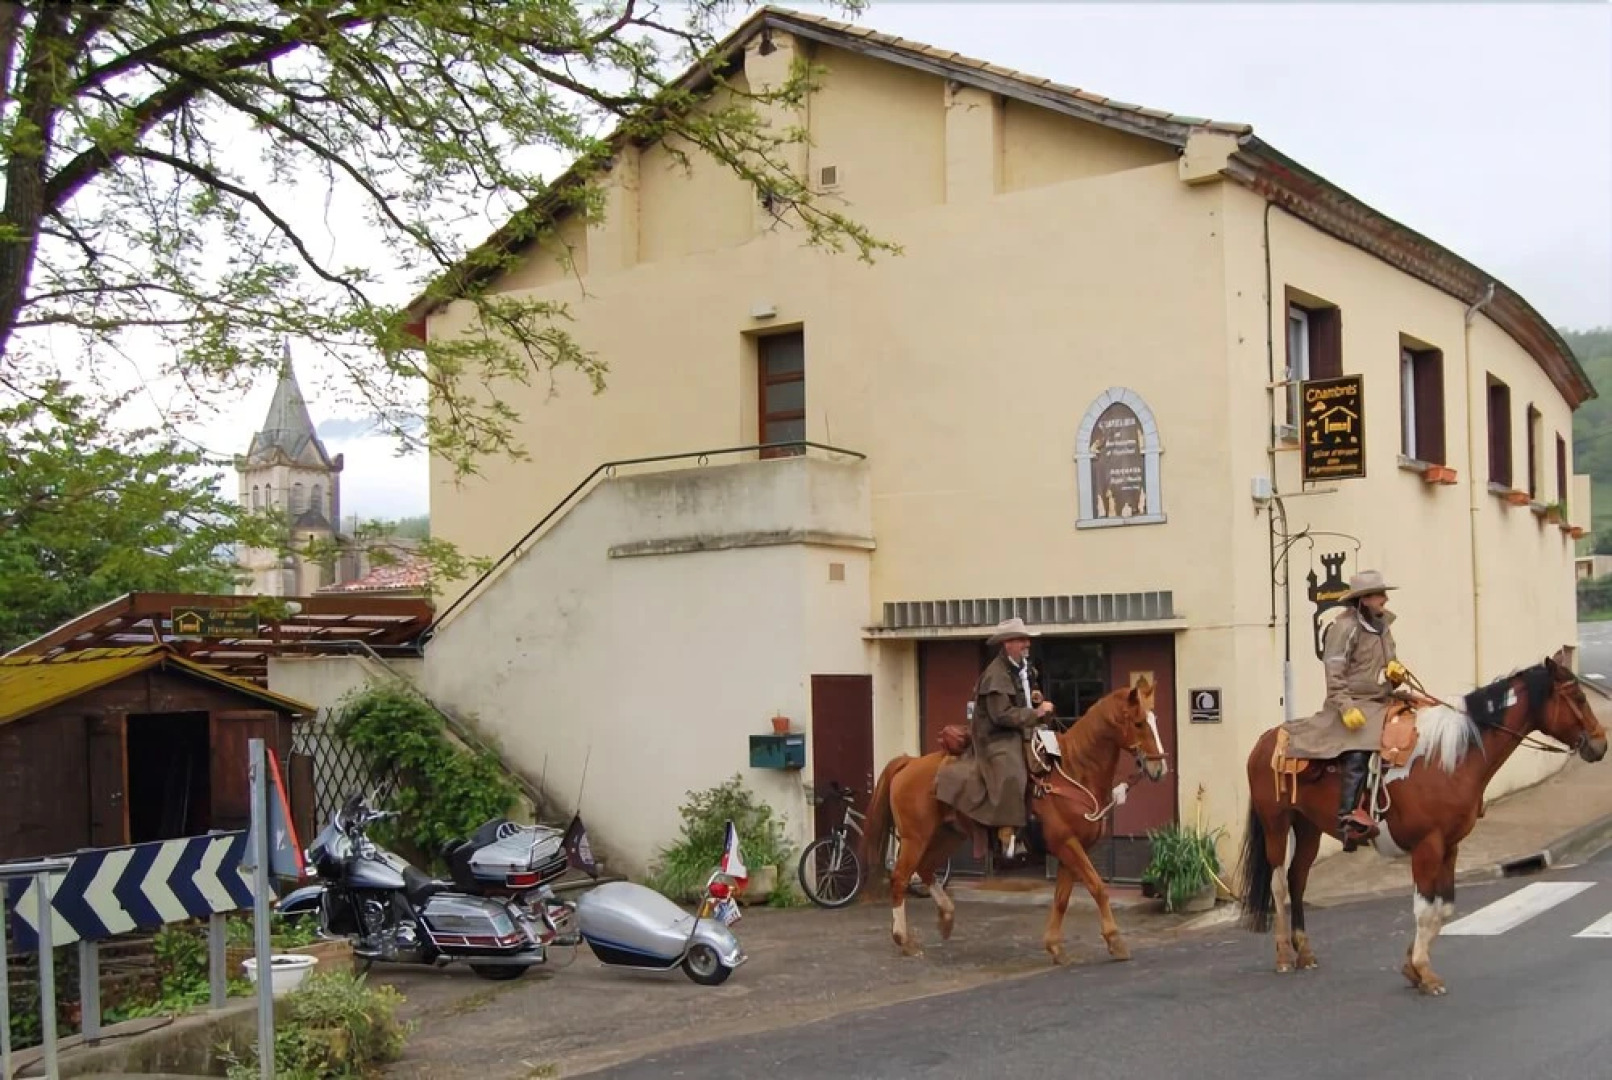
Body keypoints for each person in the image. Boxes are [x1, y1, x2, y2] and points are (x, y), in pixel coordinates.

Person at [1281, 569, 1429, 847]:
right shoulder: (1344, 628)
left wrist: (1393, 671)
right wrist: (1345, 706)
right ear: (1363, 600)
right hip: (1353, 703)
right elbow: (1333, 672)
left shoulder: (1383, 625)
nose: (1385, 599)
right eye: (1378, 595)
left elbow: (1388, 661)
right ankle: (1347, 818)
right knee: (1360, 748)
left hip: (1381, 697)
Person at [935, 617, 1056, 859]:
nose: (1027, 643)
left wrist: (1033, 697)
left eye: (1026, 639)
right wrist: (1037, 713)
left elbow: (1021, 698)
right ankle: (1006, 831)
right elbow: (1001, 715)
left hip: (1022, 731)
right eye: (1021, 640)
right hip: (996, 738)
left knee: (1054, 755)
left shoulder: (1023, 668)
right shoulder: (995, 675)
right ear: (1007, 643)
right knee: (1013, 770)